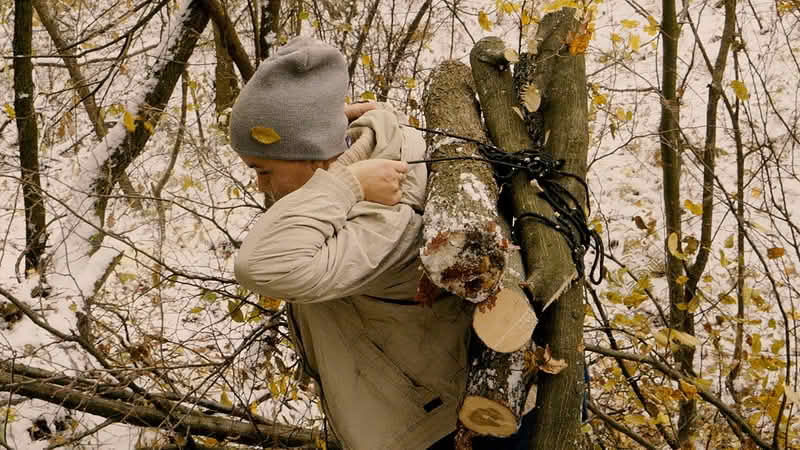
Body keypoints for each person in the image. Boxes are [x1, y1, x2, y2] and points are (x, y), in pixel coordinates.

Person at [230, 36, 473, 449]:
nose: (259, 184)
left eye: (264, 170)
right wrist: (324, 134)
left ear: (310, 156)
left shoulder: (384, 213)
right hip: (417, 415)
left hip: (441, 430)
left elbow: (260, 266)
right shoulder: (356, 157)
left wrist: (345, 185)